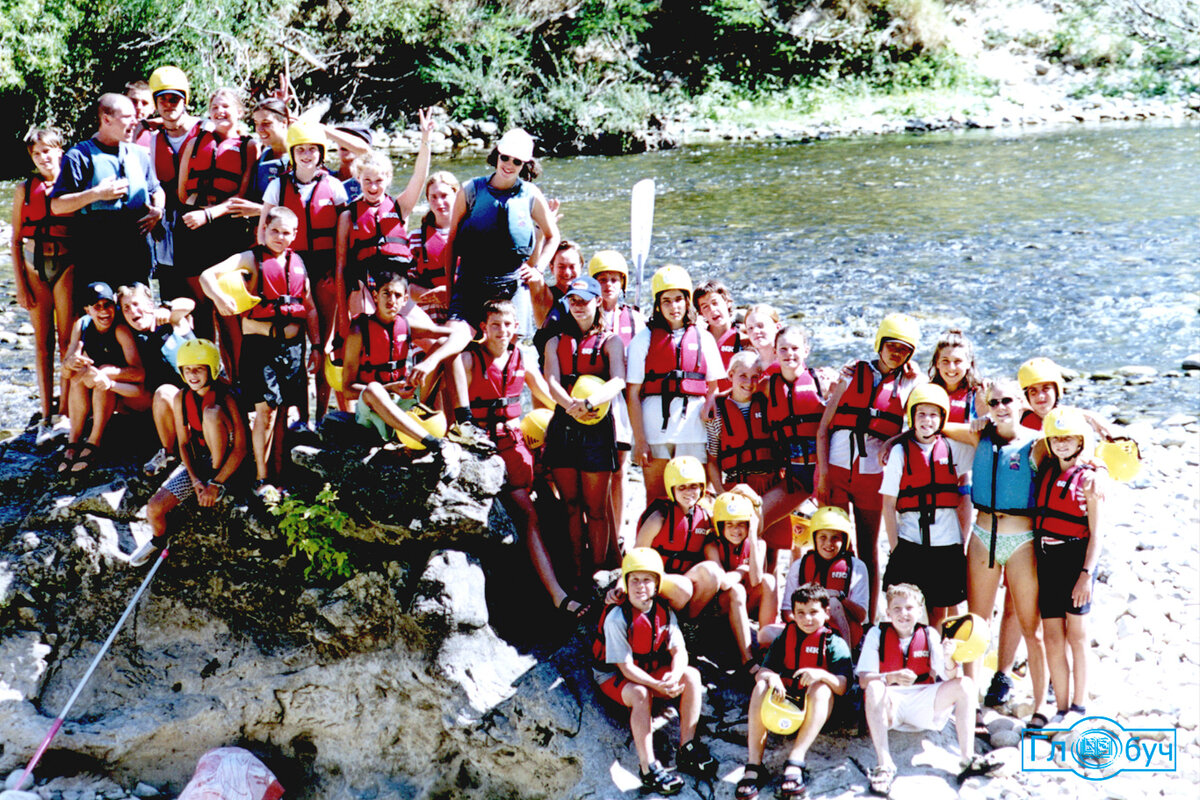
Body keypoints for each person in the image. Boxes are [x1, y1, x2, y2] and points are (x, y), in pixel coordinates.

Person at [449, 299, 586, 617]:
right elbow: (451, 416)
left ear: (516, 328)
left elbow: (548, 396)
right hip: (479, 446)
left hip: (512, 445)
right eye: (495, 324)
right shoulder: (468, 360)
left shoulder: (522, 357)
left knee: (529, 514)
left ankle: (557, 595)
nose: (502, 331)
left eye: (508, 325)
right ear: (483, 327)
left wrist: (575, 413)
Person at [941, 379, 1049, 726]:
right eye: (994, 402)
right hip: (983, 535)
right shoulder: (980, 437)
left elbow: (1075, 448)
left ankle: (1040, 704)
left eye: (1008, 401)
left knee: (1031, 626)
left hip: (1022, 540)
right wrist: (974, 418)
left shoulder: (1038, 446)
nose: (1001, 407)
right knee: (976, 622)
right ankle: (970, 697)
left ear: (1022, 404)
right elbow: (932, 424)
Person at [201, 206, 319, 493]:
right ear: (264, 230)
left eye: (286, 232)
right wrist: (220, 299)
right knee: (266, 410)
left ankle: (278, 476)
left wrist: (316, 346)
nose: (280, 236)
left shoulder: (298, 262)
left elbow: (311, 308)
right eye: (274, 230)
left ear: (295, 234)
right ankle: (261, 477)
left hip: (292, 347)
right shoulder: (251, 259)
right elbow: (207, 276)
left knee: (282, 412)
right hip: (261, 347)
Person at [816, 313, 923, 618]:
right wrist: (823, 475)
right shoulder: (850, 375)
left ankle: (868, 616)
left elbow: (920, 424)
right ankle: (827, 611)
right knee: (833, 543)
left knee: (868, 551)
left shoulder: (909, 384)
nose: (897, 353)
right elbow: (823, 428)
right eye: (892, 346)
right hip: (836, 471)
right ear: (879, 344)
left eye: (905, 350)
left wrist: (892, 442)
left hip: (872, 478)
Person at [592, 548, 716, 795]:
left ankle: (687, 748)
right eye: (634, 580)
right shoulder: (617, 617)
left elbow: (679, 650)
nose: (641, 587)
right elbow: (625, 667)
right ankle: (648, 768)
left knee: (691, 675)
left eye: (647, 580)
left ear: (657, 583)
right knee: (640, 694)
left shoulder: (663, 611)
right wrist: (658, 685)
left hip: (647, 669)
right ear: (626, 583)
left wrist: (674, 673)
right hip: (615, 676)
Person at [857, 583, 1000, 795]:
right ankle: (884, 763)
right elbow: (863, 680)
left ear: (919, 611)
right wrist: (892, 676)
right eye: (896, 609)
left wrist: (949, 657)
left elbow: (950, 676)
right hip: (891, 705)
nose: (903, 614)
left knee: (966, 684)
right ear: (887, 612)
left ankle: (967, 758)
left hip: (923, 702)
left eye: (909, 608)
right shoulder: (876, 634)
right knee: (874, 687)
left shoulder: (930, 634)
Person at [259, 120, 348, 425]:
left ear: (321, 153)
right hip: (289, 272)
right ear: (293, 152)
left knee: (322, 343)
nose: (307, 154)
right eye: (301, 149)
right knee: (291, 342)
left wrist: (338, 273)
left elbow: (342, 237)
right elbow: (262, 234)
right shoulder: (277, 185)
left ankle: (321, 417)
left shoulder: (334, 187)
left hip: (323, 272)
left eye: (313, 149)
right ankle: (297, 415)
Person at [130, 339, 250, 566]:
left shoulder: (227, 396)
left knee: (212, 413)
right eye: (187, 370)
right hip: (201, 465)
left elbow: (242, 448)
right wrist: (195, 481)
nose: (192, 375)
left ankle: (217, 483)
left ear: (211, 369)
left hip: (226, 466)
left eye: (199, 369)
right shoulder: (181, 398)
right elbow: (184, 444)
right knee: (154, 509)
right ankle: (159, 541)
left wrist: (215, 484)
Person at [541, 275, 626, 584]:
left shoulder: (611, 341)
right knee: (571, 505)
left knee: (598, 507)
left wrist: (589, 403)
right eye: (573, 301)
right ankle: (576, 570)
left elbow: (618, 380)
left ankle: (598, 572)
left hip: (596, 427)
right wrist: (570, 405)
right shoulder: (554, 341)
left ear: (598, 302)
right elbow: (551, 381)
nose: (578, 306)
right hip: (564, 424)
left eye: (584, 301)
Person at [443, 128, 560, 343]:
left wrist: (538, 269)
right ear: (497, 154)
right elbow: (451, 243)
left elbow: (553, 236)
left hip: (511, 285)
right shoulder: (470, 190)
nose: (509, 165)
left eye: (517, 162)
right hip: (471, 283)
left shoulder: (531, 195)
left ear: (525, 165)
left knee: (507, 349)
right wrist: (450, 293)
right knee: (453, 343)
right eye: (505, 157)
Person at [738, 584, 852, 800]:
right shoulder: (786, 636)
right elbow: (762, 671)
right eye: (800, 613)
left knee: (821, 688)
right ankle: (754, 764)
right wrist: (771, 677)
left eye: (813, 612)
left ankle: (795, 760)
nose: (806, 619)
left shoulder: (834, 643)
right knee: (761, 684)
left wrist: (821, 675)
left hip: (817, 709)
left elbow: (843, 686)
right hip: (786, 704)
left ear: (826, 613)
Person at [626, 265, 725, 500]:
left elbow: (713, 387)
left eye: (679, 299)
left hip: (693, 429)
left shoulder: (704, 337)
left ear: (687, 301)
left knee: (694, 498)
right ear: (658, 304)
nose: (674, 306)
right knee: (656, 498)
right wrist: (640, 440)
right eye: (667, 300)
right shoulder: (644, 339)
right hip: (654, 431)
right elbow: (633, 394)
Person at [335, 112, 433, 344]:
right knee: (372, 347)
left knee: (435, 345)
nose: (373, 186)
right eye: (367, 180)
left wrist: (426, 140)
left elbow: (420, 176)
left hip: (396, 290)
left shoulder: (400, 207)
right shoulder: (349, 216)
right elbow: (340, 267)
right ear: (358, 179)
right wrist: (342, 317)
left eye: (379, 181)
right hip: (364, 291)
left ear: (388, 179)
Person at [880, 384, 974, 628]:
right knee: (903, 607)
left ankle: (938, 658)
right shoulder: (900, 452)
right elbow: (888, 504)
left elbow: (981, 439)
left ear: (942, 418)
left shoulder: (954, 448)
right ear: (911, 417)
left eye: (934, 414)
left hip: (946, 543)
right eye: (920, 414)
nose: (927, 420)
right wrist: (894, 548)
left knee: (939, 610)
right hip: (910, 542)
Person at [1034, 407, 1104, 725]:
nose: (1062, 444)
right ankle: (1061, 706)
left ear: (1080, 441)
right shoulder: (1046, 468)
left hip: (1075, 562)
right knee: (1051, 636)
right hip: (1048, 562)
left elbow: (1097, 534)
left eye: (1069, 438)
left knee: (1077, 635)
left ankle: (1079, 704)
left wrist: (1085, 576)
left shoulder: (1090, 479)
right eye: (1057, 438)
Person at [50, 93, 164, 290]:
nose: (135, 122)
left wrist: (158, 211)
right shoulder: (79, 156)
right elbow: (57, 205)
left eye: (135, 117)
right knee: (100, 314)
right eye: (128, 117)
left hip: (136, 251)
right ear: (106, 120)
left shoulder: (139, 155)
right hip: (96, 252)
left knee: (138, 313)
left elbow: (156, 189)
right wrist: (96, 194)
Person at [176, 88, 259, 342]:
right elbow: (182, 191)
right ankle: (209, 375)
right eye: (215, 107)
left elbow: (241, 196)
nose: (220, 112)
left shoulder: (249, 145)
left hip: (226, 229)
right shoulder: (195, 142)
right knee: (200, 307)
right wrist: (197, 212)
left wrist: (209, 215)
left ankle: (237, 377)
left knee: (227, 308)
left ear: (240, 112)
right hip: (193, 226)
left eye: (226, 107)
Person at [341, 270, 455, 447]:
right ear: (375, 296)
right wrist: (388, 388)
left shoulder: (406, 326)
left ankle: (446, 420)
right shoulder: (358, 330)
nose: (391, 300)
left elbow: (452, 335)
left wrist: (484, 336)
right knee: (373, 389)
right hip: (372, 410)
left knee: (442, 345)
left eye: (397, 295)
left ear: (404, 300)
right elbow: (347, 389)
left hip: (402, 400)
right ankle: (433, 443)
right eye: (386, 293)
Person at [11, 128, 74, 440]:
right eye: (37, 153)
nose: (44, 157)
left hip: (67, 266)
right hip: (35, 270)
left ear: (61, 150)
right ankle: (46, 413)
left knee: (67, 342)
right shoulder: (25, 189)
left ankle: (65, 410)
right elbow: (14, 240)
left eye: (48, 151)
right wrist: (20, 284)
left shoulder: (73, 185)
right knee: (42, 343)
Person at [58, 282, 146, 475]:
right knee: (77, 377)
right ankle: (73, 440)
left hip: (127, 392)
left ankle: (93, 442)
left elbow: (139, 373)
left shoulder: (120, 330)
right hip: (99, 389)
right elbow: (65, 372)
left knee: (100, 381)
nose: (104, 311)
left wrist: (107, 371)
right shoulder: (81, 325)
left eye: (107, 305)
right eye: (97, 306)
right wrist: (70, 363)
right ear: (87, 309)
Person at [756, 326, 827, 559]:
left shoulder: (823, 382)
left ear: (806, 350)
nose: (789, 354)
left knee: (831, 536)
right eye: (783, 349)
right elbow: (738, 393)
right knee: (753, 518)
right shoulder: (767, 387)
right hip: (793, 477)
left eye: (795, 348)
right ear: (775, 352)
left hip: (823, 476)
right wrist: (713, 399)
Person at [116, 282, 196, 477]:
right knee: (125, 400)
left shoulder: (172, 321)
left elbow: (189, 303)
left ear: (151, 305)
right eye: (126, 308)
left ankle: (171, 452)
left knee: (164, 392)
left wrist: (168, 308)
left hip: (197, 396)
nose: (133, 311)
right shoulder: (130, 337)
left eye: (136, 304)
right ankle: (167, 449)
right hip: (167, 406)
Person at [633, 455, 722, 618]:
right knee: (684, 587)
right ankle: (664, 618)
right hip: (654, 579)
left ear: (702, 487)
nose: (689, 492)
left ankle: (688, 623)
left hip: (684, 580)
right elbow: (637, 556)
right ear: (671, 488)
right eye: (682, 487)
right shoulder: (659, 517)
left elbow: (716, 563)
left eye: (694, 486)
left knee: (712, 572)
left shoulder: (705, 518)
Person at [771, 506, 868, 652]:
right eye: (823, 537)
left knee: (834, 602)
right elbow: (787, 611)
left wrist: (841, 598)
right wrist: (811, 624)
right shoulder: (799, 565)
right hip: (806, 625)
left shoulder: (857, 567)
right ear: (814, 538)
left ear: (844, 540)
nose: (828, 543)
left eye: (835, 538)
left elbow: (861, 616)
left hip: (842, 631)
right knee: (765, 635)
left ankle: (845, 660)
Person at [703, 490, 777, 674]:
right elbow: (724, 583)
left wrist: (752, 536)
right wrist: (742, 570)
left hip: (744, 605)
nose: (736, 530)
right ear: (720, 525)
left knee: (769, 580)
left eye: (741, 525)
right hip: (718, 610)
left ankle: (766, 645)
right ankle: (747, 657)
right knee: (736, 590)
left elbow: (756, 579)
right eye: (730, 525)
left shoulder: (758, 543)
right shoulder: (711, 546)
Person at [145, 66, 201, 299]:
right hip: (167, 226)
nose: (169, 105)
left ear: (185, 101)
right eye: (163, 99)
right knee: (171, 296)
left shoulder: (204, 131)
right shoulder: (152, 139)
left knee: (201, 299)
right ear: (156, 104)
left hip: (198, 222)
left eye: (175, 99)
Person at [407, 171, 460, 326]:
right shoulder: (415, 238)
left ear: (456, 196)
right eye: (433, 197)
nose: (439, 202)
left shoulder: (471, 234)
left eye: (444, 196)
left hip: (463, 310)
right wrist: (435, 296)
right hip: (428, 314)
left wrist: (450, 294)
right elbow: (405, 285)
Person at [928, 329, 983, 424]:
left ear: (968, 363)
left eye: (958, 361)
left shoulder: (979, 393)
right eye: (945, 361)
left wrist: (936, 427)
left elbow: (981, 435)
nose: (951, 368)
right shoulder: (927, 392)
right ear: (937, 363)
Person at [743, 303, 781, 374]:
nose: (755, 331)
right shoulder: (748, 366)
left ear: (778, 327)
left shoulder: (788, 361)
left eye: (760, 326)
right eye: (750, 328)